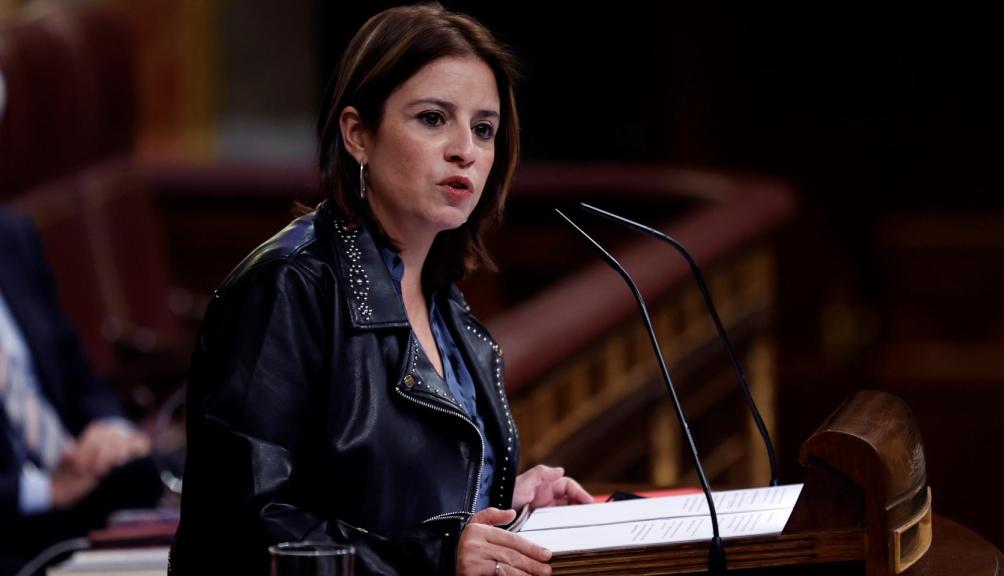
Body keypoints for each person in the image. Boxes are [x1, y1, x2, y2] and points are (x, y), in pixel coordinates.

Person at [170, 4, 594, 575]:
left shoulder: (447, 306)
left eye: (484, 128)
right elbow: (239, 529)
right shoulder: (288, 287)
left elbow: (384, 500)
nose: (464, 149)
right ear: (357, 135)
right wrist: (439, 558)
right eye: (432, 118)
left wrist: (504, 511)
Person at [0, 208, 160, 573]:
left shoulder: (12, 235)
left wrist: (112, 430)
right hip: (14, 514)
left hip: (80, 480)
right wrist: (43, 491)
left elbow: (78, 374)